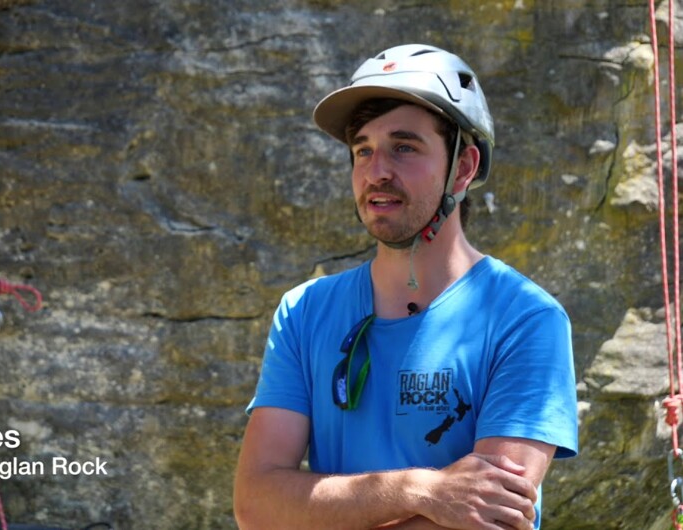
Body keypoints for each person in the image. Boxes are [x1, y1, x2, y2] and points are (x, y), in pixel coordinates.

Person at [233, 44, 579, 530]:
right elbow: (256, 505)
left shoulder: (525, 320)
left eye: (404, 147)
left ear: (463, 167)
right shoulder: (305, 310)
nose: (377, 171)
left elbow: (491, 517)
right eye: (363, 151)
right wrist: (422, 491)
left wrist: (316, 510)